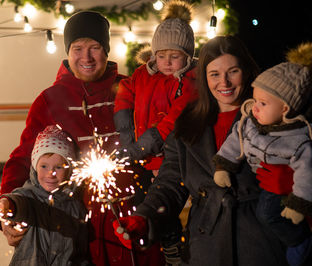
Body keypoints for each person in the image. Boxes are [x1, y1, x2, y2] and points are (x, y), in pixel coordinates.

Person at [0, 11, 164, 265]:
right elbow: (23, 159)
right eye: (77, 48)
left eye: (95, 47)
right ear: (68, 51)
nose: (86, 57)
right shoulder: (49, 101)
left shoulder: (130, 89)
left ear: (106, 50)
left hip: (136, 219)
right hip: (79, 231)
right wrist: (8, 210)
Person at [113, 35, 291, 266]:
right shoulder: (188, 123)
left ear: (247, 71)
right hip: (205, 243)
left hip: (261, 242)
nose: (224, 83)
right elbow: (170, 182)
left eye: (233, 71)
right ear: (203, 77)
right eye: (214, 74)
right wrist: (145, 217)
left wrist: (290, 183)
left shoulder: (274, 118)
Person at [213, 42, 312, 266]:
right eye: (255, 100)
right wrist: (223, 164)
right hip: (225, 235)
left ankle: (300, 242)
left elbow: (307, 171)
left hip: (278, 199)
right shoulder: (250, 121)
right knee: (266, 214)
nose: (255, 107)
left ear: (285, 109)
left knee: (269, 214)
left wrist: (299, 202)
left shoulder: (297, 137)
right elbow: (235, 141)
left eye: (263, 103)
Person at [113, 1, 197, 264]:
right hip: (142, 155)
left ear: (188, 56)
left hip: (168, 159)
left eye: (175, 56)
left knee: (164, 204)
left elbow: (173, 120)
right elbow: (125, 92)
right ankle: (154, 243)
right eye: (161, 56)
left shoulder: (190, 82)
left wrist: (149, 142)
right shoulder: (143, 74)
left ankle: (173, 246)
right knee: (141, 201)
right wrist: (127, 135)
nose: (167, 62)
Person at [0, 125, 90, 265]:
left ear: (70, 170)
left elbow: (81, 251)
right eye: (44, 166)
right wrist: (7, 204)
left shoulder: (75, 205)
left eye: (58, 167)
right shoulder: (30, 197)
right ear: (35, 167)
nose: (50, 174)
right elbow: (19, 203)